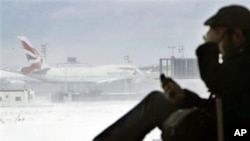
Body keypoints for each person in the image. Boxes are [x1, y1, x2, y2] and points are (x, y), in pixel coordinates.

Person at [93, 5, 250, 141]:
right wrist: (185, 98)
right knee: (157, 102)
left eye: (217, 38)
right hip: (222, 130)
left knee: (154, 105)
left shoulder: (244, 63)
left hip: (232, 134)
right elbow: (222, 107)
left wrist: (209, 47)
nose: (217, 47)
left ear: (237, 35)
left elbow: (217, 81)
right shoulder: (237, 65)